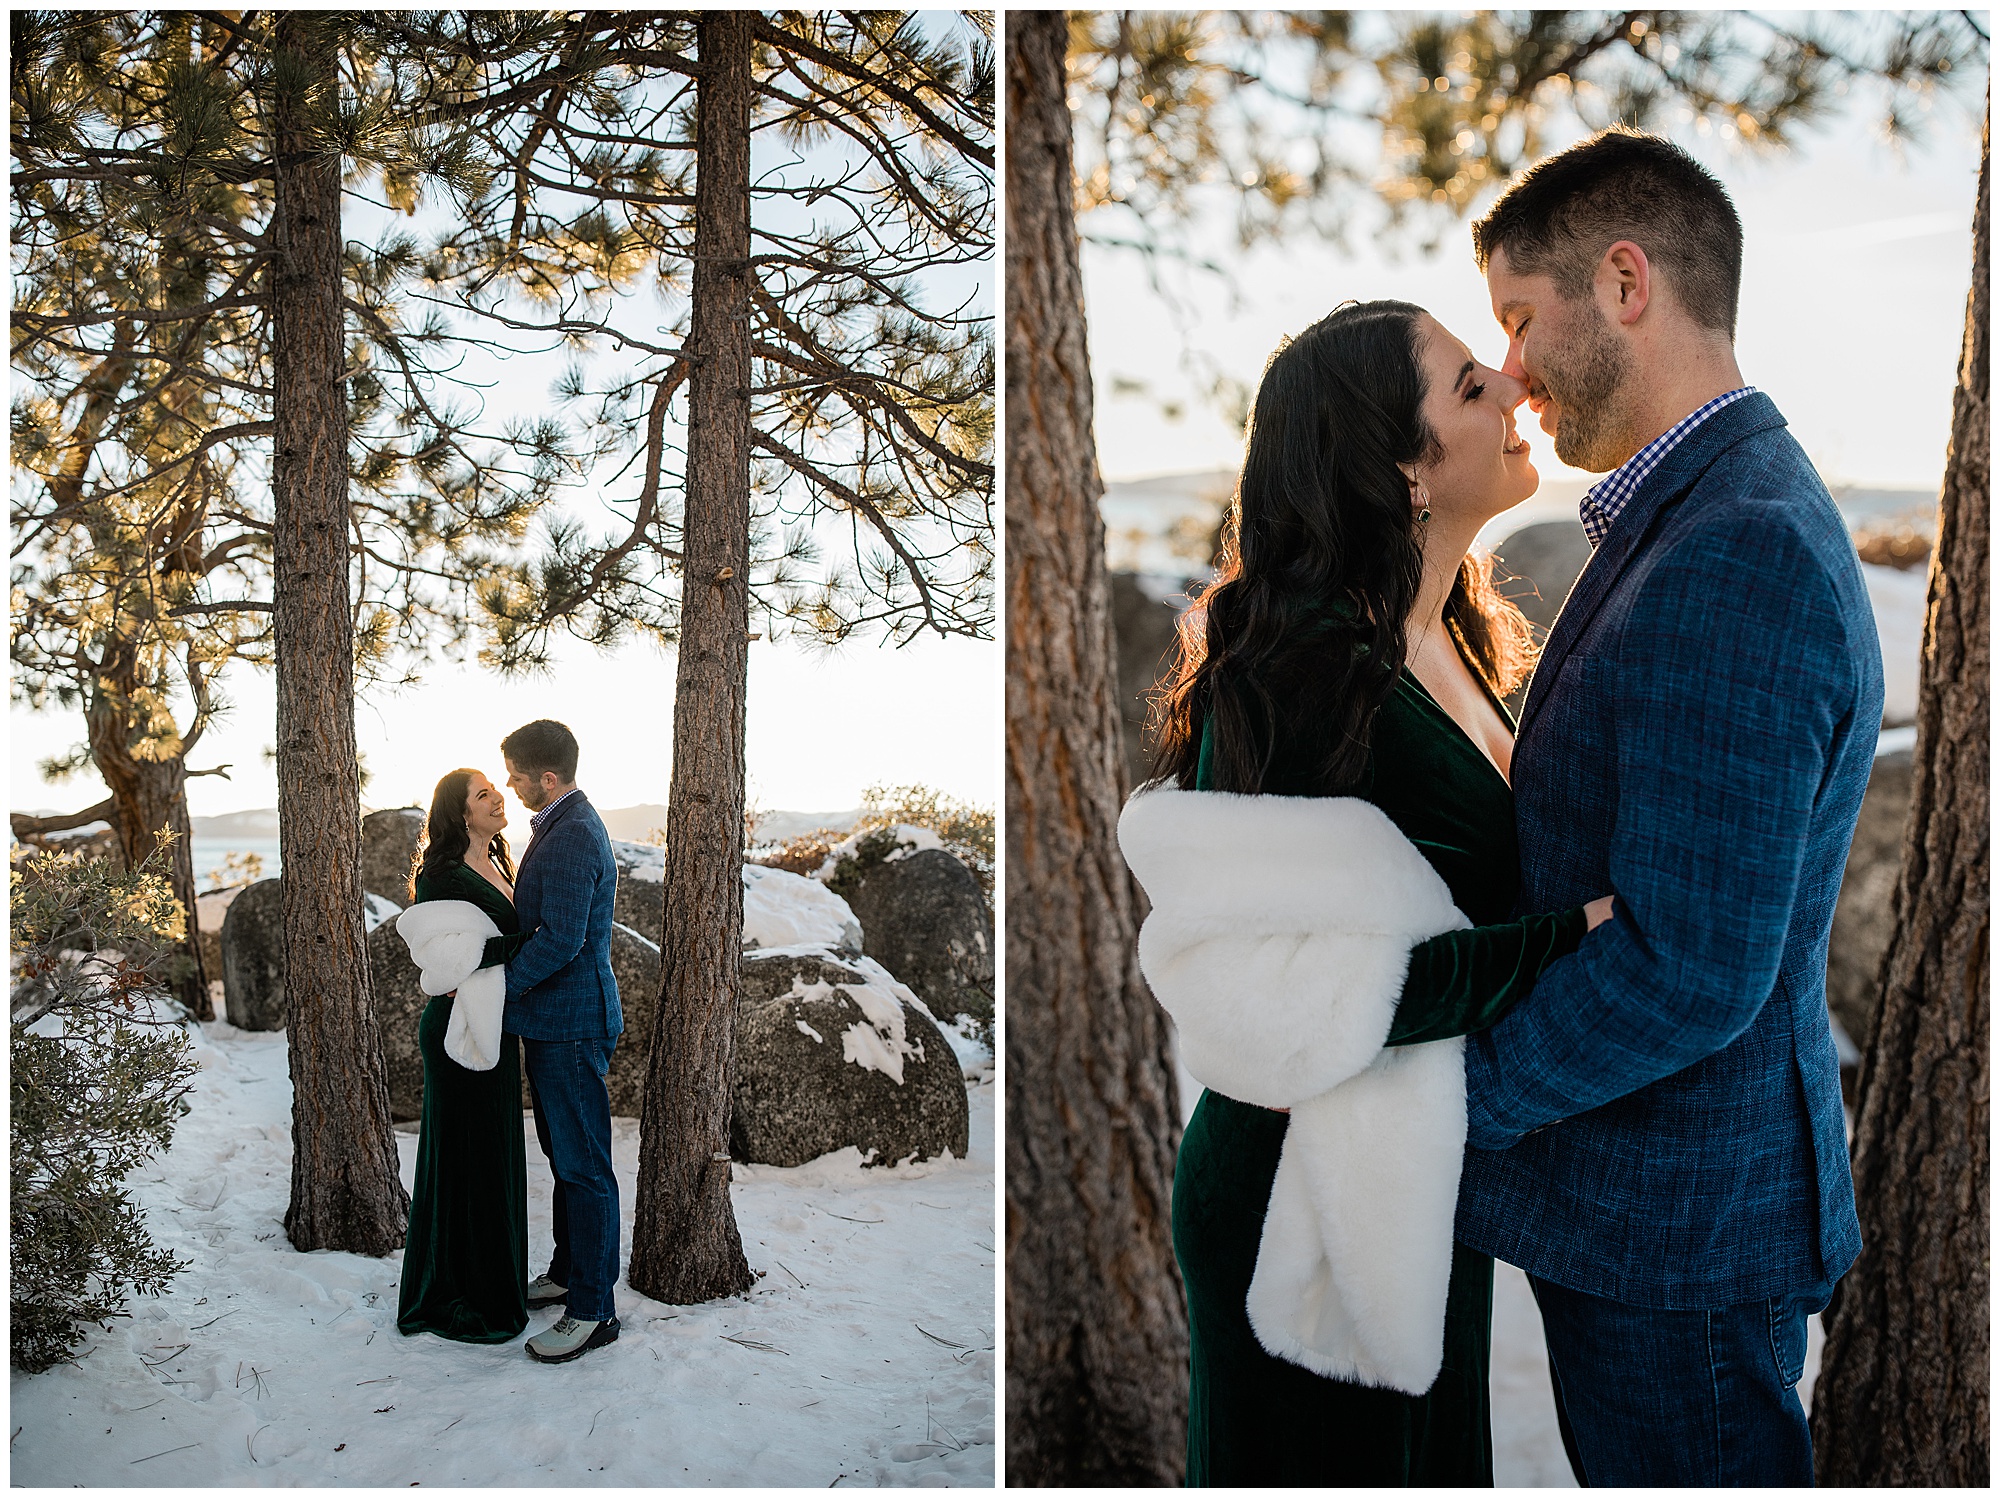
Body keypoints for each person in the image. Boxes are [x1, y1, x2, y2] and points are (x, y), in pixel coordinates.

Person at [1121, 297, 1614, 1485]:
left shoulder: (1453, 636)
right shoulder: (1295, 675)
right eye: (1462, 386)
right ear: (1398, 473)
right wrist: (1558, 945)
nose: (1507, 384)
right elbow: (1255, 991)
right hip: (1300, 1192)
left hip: (1405, 1165)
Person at [1455, 127, 1881, 1485]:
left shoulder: (1735, 546)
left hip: (1679, 1232)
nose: (1512, 368)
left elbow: (1689, 965)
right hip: (1663, 1213)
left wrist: (1456, 1097)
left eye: (1520, 318)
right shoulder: (1692, 514)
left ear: (1624, 282)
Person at [498, 719, 625, 1366]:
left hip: (572, 1024)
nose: (511, 786)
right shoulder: (556, 823)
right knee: (565, 1160)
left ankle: (594, 1310)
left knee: (585, 1168)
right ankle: (566, 1272)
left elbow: (561, 939)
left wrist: (501, 991)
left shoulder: (573, 834)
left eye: (517, 776)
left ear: (548, 778)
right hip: (552, 1023)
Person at [395, 768, 531, 1343]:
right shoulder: (441, 875)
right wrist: (532, 941)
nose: (497, 797)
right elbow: (447, 963)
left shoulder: (499, 864)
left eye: (495, 790)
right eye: (483, 794)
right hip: (455, 1030)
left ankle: (496, 1284)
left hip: (493, 1024)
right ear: (459, 813)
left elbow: (483, 953)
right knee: (464, 1160)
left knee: (493, 1155)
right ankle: (455, 1296)